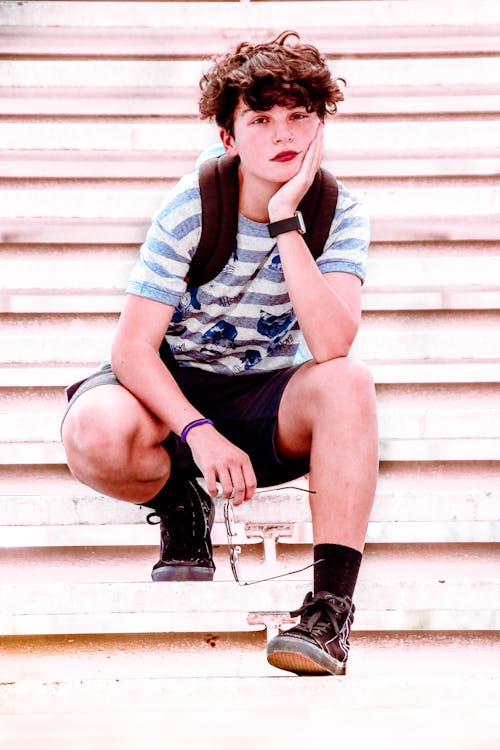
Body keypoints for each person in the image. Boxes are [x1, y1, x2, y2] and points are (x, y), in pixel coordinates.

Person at [61, 30, 378, 676]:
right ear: (229, 138)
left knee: (349, 383)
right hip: (172, 392)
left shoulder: (338, 213)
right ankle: (181, 498)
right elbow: (131, 349)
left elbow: (332, 345)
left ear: (320, 125)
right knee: (93, 431)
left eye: (298, 115)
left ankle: (327, 615)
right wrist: (198, 434)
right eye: (261, 119)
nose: (282, 133)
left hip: (266, 399)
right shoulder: (192, 205)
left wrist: (288, 222)